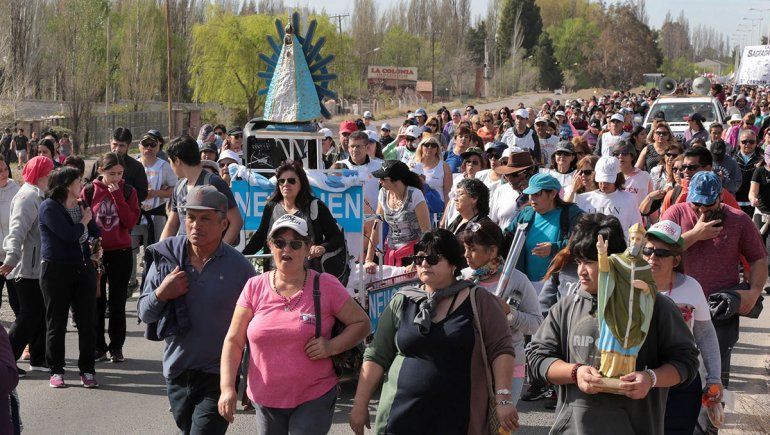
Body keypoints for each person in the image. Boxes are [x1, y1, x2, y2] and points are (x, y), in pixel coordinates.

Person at [526, 213, 700, 435]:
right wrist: (575, 373)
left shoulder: (655, 306)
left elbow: (686, 362)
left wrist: (650, 378)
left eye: (590, 262)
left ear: (612, 260)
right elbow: (537, 357)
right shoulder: (567, 306)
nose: (581, 271)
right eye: (578, 262)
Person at [350, 229, 519, 435]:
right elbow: (376, 355)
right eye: (419, 258)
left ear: (453, 264)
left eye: (432, 258)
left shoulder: (479, 301)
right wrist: (360, 404)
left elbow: (501, 350)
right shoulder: (402, 300)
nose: (424, 264)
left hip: (458, 418)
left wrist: (503, 398)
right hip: (401, 417)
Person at [218, 215, 370, 432]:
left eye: (295, 244)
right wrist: (227, 388)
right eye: (279, 243)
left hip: (314, 394)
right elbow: (233, 340)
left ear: (308, 248)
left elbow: (361, 323)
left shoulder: (325, 285)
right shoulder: (254, 286)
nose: (286, 249)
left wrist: (331, 346)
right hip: (265, 398)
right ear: (270, 245)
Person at [138, 185, 256, 434]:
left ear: (223, 224)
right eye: (190, 217)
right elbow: (145, 313)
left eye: (205, 218)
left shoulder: (241, 269)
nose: (195, 225)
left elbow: (254, 332)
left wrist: (248, 380)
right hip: (177, 373)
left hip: (219, 376)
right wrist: (162, 293)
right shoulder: (166, 257)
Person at [662, 171, 767, 387]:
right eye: (696, 205)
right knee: (675, 369)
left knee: (715, 375)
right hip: (678, 307)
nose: (701, 210)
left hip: (720, 309)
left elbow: (758, 259)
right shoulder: (675, 214)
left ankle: (712, 418)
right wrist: (695, 234)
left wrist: (754, 292)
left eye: (707, 206)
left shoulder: (739, 220)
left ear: (720, 197)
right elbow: (659, 251)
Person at [641, 220, 723, 434]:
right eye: (648, 250)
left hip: (683, 379)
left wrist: (714, 379)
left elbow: (705, 334)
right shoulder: (629, 284)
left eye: (661, 253)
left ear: (676, 259)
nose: (652, 257)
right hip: (641, 378)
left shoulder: (691, 287)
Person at [459, 220, 542, 407]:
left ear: (493, 251)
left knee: (502, 425)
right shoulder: (462, 278)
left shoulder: (517, 280)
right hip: (469, 363)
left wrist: (508, 313)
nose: (466, 255)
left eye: (472, 249)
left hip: (510, 365)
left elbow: (536, 323)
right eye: (465, 248)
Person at [38, 166, 101, 388]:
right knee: (56, 321)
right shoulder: (49, 207)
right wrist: (83, 222)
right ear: (66, 185)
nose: (82, 185)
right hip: (56, 270)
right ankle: (56, 371)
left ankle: (88, 370)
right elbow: (68, 235)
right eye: (78, 181)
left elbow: (95, 231)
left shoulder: (82, 204)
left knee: (87, 322)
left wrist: (92, 235)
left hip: (83, 269)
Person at [83, 153, 140, 363]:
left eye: (119, 173)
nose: (116, 178)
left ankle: (117, 347)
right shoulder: (89, 191)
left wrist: (118, 198)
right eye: (111, 173)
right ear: (100, 171)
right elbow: (84, 219)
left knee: (117, 303)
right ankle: (99, 346)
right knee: (97, 300)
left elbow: (129, 222)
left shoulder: (128, 191)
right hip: (96, 253)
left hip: (121, 252)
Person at [242, 160, 345, 277]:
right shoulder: (271, 207)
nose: (286, 184)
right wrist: (240, 257)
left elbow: (337, 238)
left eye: (291, 181)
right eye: (281, 181)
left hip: (308, 276)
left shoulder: (316, 206)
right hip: (275, 275)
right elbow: (260, 237)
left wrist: (322, 247)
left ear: (301, 183)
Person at [0, 157, 53, 377]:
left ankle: (39, 359)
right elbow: (17, 231)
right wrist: (11, 257)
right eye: (49, 172)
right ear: (40, 173)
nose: (52, 176)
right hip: (26, 268)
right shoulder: (27, 197)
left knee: (39, 314)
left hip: (37, 267)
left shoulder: (38, 194)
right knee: (27, 315)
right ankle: (6, 362)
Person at [160, 135, 243, 245]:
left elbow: (236, 221)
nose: (171, 166)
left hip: (209, 255)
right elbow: (171, 224)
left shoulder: (214, 183)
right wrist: (160, 251)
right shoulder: (179, 187)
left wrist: (220, 253)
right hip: (185, 256)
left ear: (177, 161)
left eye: (170, 161)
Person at [507, 173, 583, 293]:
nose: (532, 199)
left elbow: (580, 243)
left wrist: (554, 248)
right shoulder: (526, 213)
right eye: (530, 195)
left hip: (557, 286)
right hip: (526, 285)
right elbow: (507, 236)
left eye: (537, 194)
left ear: (553, 193)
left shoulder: (572, 214)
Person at [364, 160, 431, 271]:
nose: (379, 181)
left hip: (413, 255)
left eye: (383, 178)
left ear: (397, 180)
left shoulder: (415, 194)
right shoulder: (383, 193)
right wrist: (368, 259)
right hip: (390, 252)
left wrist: (417, 261)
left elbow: (426, 232)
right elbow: (377, 225)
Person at [575, 156, 642, 239]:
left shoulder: (629, 199)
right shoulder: (582, 199)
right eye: (601, 180)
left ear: (617, 178)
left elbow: (637, 227)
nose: (603, 184)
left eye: (608, 181)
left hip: (619, 248)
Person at [86, 127, 149, 203]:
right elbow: (86, 185)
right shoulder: (100, 163)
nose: (117, 149)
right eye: (115, 144)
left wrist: (121, 195)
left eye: (121, 145)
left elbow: (142, 194)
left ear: (128, 146)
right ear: (110, 142)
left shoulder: (136, 167)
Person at [138, 131, 177, 246]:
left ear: (158, 147)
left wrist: (156, 193)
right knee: (132, 249)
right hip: (136, 214)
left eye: (153, 145)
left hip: (157, 214)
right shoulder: (135, 165)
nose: (149, 148)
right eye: (145, 144)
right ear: (139, 146)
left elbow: (176, 190)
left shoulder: (164, 166)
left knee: (157, 247)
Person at [490, 151, 539, 229]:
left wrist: (527, 192)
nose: (509, 178)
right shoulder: (500, 190)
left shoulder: (540, 193)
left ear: (529, 172)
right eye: (507, 174)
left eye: (514, 174)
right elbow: (493, 222)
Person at [0, 156, 19, 314]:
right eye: (0, 170)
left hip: (12, 253)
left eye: (6, 169)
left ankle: (25, 337)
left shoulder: (15, 189)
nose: (4, 173)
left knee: (17, 300)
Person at [412, 135, 451, 203]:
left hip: (436, 208)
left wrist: (446, 211)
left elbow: (447, 193)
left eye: (433, 145)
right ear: (421, 147)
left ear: (437, 149)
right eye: (427, 145)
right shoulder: (412, 164)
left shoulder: (444, 166)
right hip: (416, 206)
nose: (430, 147)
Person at [733, 130, 763, 216]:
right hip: (734, 203)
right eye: (744, 141)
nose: (748, 144)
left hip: (754, 205)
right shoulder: (732, 159)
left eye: (751, 142)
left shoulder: (762, 160)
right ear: (739, 143)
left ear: (756, 143)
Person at [615, 141, 652, 208]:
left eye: (624, 153)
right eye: (616, 154)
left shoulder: (644, 176)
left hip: (638, 217)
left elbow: (651, 201)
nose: (620, 156)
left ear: (632, 156)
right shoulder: (610, 176)